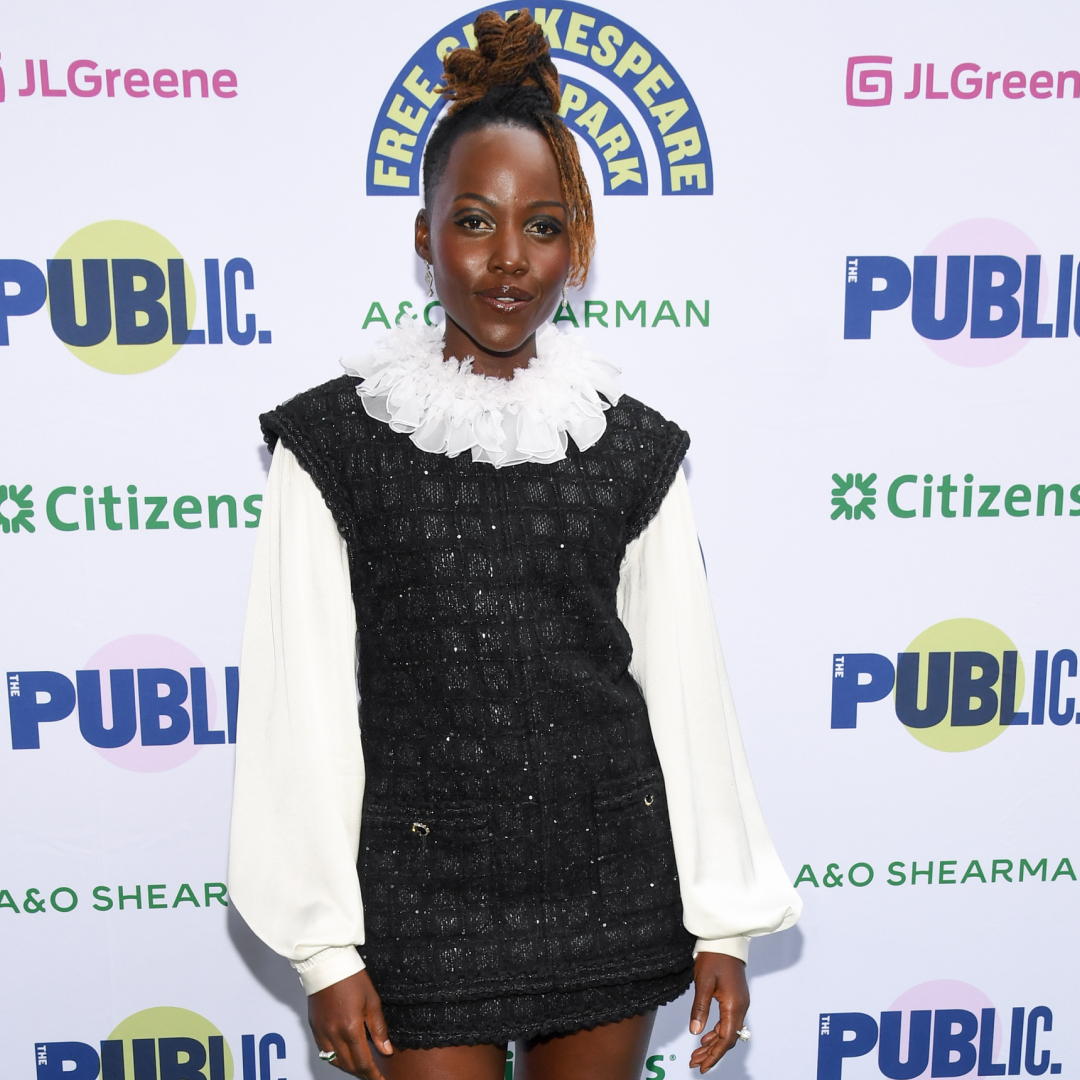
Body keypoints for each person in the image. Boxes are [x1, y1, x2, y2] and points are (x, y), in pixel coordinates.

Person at [228, 11, 800, 1080]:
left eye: (543, 227)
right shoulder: (333, 443)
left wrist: (723, 919)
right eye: (475, 222)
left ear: (575, 247)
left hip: (608, 882)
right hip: (416, 895)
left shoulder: (631, 445)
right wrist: (323, 946)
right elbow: (297, 703)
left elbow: (683, 684)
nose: (507, 262)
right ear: (423, 234)